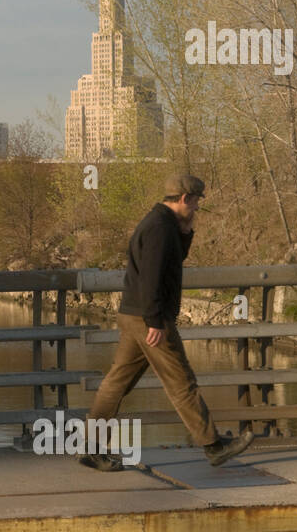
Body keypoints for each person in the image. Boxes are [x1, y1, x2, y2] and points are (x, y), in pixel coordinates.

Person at [81, 173, 254, 471]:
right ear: (185, 198)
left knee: (117, 382)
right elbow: (151, 279)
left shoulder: (161, 224)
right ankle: (213, 446)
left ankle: (90, 449)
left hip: (135, 313)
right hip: (149, 317)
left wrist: (186, 231)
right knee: (181, 381)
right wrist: (155, 321)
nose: (198, 207)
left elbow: (171, 261)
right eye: (197, 201)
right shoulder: (160, 229)